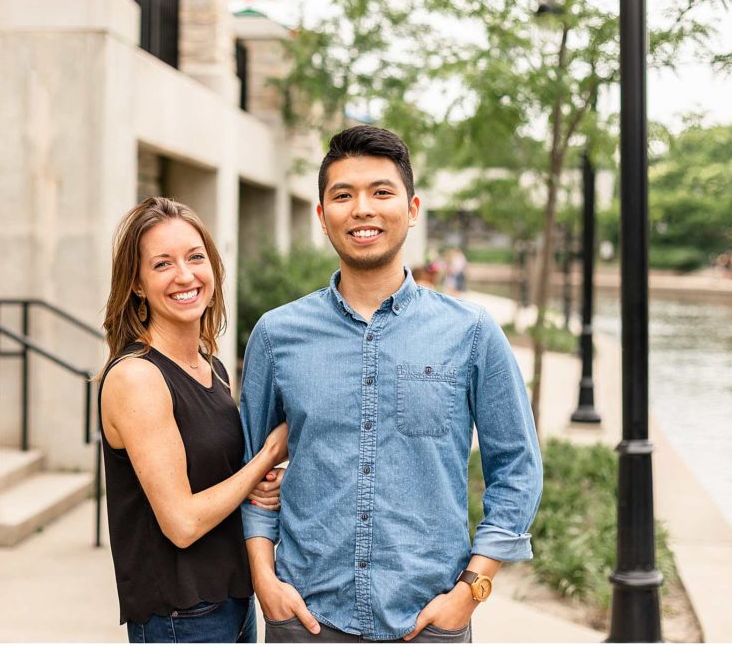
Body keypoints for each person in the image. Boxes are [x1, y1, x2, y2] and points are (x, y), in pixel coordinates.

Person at [239, 125, 543, 643]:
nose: (362, 209)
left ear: (413, 208)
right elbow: (248, 469)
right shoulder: (277, 335)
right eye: (343, 195)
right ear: (322, 216)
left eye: (382, 192)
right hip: (306, 619)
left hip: (427, 622)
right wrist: (264, 580)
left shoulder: (470, 333)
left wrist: (470, 592)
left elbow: (516, 467)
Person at [98, 197, 289, 643]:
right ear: (138, 285)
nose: (185, 276)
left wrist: (256, 481)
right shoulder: (138, 378)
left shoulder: (210, 366)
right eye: (162, 264)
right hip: (180, 616)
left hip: (230, 601)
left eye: (195, 257)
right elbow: (182, 523)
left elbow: (217, 479)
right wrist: (265, 459)